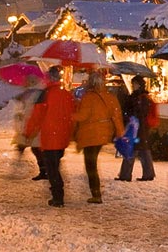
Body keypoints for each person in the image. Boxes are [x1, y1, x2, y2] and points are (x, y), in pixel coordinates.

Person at [25, 67, 76, 207]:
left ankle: (58, 197)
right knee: (55, 165)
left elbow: (36, 116)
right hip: (62, 137)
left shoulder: (45, 95)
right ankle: (57, 193)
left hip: (49, 137)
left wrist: (28, 132)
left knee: (52, 168)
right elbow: (72, 115)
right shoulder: (66, 94)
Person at [72, 71, 126, 204]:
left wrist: (71, 114)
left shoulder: (89, 97)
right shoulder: (110, 96)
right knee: (93, 163)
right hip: (104, 133)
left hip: (91, 134)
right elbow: (116, 116)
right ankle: (96, 193)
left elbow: (83, 116)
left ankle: (96, 194)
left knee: (91, 165)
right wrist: (120, 133)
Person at [116, 75, 158, 182]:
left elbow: (138, 112)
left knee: (131, 149)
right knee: (142, 150)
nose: (133, 86)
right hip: (141, 128)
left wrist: (130, 114)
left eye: (134, 84)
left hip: (137, 128)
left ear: (139, 85)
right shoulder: (140, 97)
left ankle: (126, 175)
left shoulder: (140, 98)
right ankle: (148, 174)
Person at [10, 74, 47, 180]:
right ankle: (44, 171)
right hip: (28, 124)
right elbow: (27, 109)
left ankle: (44, 171)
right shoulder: (30, 93)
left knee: (35, 148)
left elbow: (34, 111)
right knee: (27, 147)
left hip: (33, 125)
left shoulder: (38, 94)